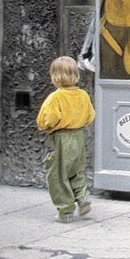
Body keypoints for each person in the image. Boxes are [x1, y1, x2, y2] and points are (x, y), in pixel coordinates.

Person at [36, 56, 96, 223]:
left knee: (57, 174)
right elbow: (90, 116)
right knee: (76, 171)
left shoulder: (56, 97)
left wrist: (46, 127)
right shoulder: (82, 95)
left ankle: (65, 211)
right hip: (78, 137)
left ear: (55, 77)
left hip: (60, 138)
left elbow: (48, 119)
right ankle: (82, 197)